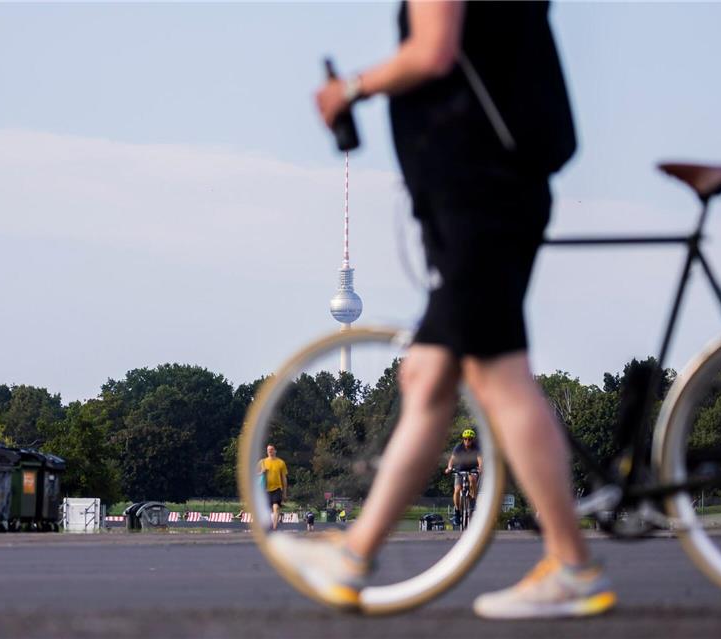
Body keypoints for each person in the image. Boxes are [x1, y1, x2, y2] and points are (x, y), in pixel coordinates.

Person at [271, 0, 615, 619]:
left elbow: (432, 50)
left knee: (498, 375)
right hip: (490, 188)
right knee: (427, 375)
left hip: (479, 192)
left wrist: (348, 88)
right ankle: (353, 556)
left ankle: (572, 565)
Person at [444, 428, 482, 526]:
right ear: (463, 439)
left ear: (473, 439)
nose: (467, 441)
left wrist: (481, 467)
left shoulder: (476, 448)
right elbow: (452, 459)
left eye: (469, 439)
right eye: (465, 439)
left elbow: (479, 459)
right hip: (460, 469)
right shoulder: (458, 447)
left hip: (472, 469)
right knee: (457, 490)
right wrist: (449, 467)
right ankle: (457, 512)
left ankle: (473, 500)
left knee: (472, 478)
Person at [259, 444, 288, 531]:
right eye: (268, 450)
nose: (270, 451)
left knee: (276, 507)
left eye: (272, 449)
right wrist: (261, 472)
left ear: (275, 451)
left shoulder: (281, 463)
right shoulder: (262, 462)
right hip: (265, 490)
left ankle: (274, 527)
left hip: (277, 488)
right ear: (267, 451)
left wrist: (285, 493)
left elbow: (284, 478)